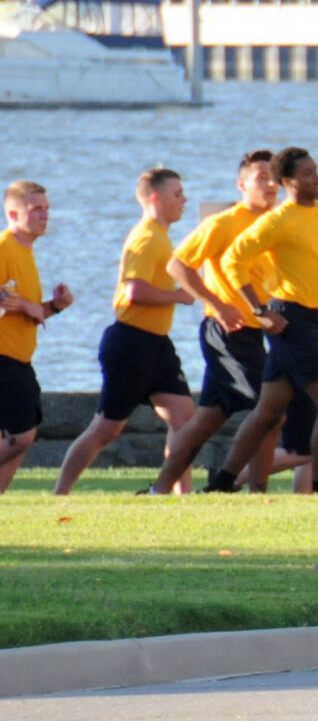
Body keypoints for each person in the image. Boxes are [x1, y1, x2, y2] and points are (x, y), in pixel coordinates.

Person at [204, 148, 318, 495]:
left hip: (317, 319)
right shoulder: (279, 220)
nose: (316, 178)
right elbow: (234, 260)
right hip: (292, 318)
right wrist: (260, 311)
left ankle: (222, 482)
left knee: (267, 412)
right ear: (287, 182)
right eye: (307, 174)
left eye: (317, 170)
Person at [54, 169, 196, 493]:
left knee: (184, 418)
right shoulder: (146, 238)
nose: (184, 200)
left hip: (157, 344)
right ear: (156, 198)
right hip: (130, 342)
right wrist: (178, 295)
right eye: (177, 194)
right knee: (106, 429)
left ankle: (179, 494)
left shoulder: (161, 235)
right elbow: (134, 292)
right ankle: (59, 492)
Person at [155, 150, 281, 495]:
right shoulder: (223, 223)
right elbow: (177, 266)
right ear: (242, 184)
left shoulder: (276, 223)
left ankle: (160, 489)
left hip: (257, 333)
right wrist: (218, 304)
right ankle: (252, 489)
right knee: (270, 409)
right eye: (261, 178)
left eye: (274, 178)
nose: (270, 185)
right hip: (226, 331)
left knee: (209, 418)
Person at [0, 180, 73, 492]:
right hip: (3, 357)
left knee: (17, 443)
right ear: (14, 214)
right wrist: (26, 306)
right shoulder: (4, 248)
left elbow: (26, 313)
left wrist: (54, 306)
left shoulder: (25, 252)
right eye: (35, 209)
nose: (44, 216)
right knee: (21, 436)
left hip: (21, 357)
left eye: (46, 209)